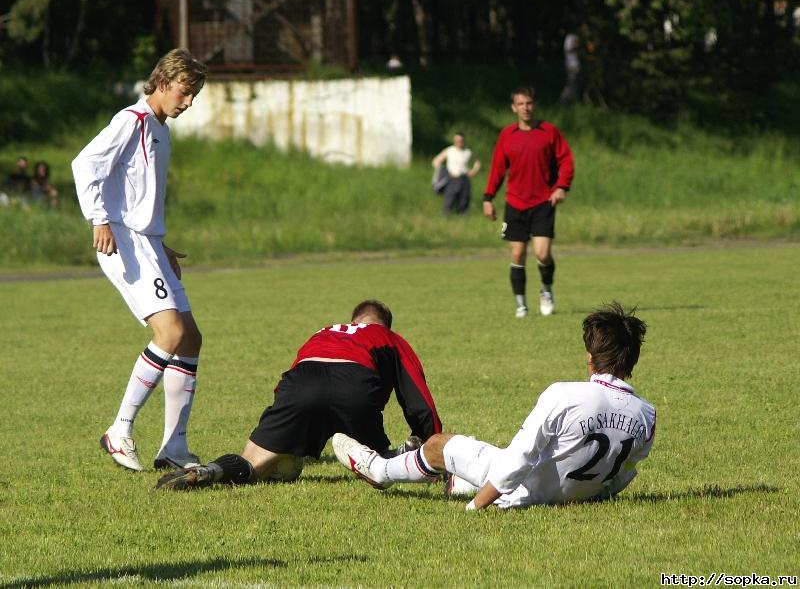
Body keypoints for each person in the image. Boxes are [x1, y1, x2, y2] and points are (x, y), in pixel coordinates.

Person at [333, 303, 655, 510]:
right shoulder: (647, 415)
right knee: (469, 464)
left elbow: (518, 459)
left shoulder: (564, 395)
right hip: (570, 493)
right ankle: (450, 479)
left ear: (590, 358)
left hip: (521, 492)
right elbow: (623, 476)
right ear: (632, 361)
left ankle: (379, 471)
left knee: (438, 445)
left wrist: (477, 506)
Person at [71, 48, 208, 472]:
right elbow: (85, 164)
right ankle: (120, 430)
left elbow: (137, 196)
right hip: (122, 242)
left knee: (190, 338)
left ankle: (173, 447)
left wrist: (158, 244)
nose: (188, 103)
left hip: (144, 241)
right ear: (163, 82)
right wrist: (100, 219)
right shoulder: (132, 120)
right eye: (185, 93)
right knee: (169, 332)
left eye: (194, 97)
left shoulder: (161, 129)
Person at [155, 300, 443, 490]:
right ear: (384, 325)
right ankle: (404, 455)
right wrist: (434, 445)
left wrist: (289, 435)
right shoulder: (387, 338)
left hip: (301, 385)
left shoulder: (324, 333)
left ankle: (210, 471)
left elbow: (288, 384)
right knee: (381, 464)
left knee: (253, 463)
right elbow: (418, 399)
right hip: (354, 386)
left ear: (354, 320)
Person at [483, 86, 575, 318]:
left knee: (542, 254)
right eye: (521, 104)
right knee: (517, 255)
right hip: (515, 203)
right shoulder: (507, 135)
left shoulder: (549, 132)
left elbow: (566, 161)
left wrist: (561, 187)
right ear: (514, 108)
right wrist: (488, 197)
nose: (526, 108)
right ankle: (521, 305)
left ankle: (546, 290)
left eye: (529, 103)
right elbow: (497, 169)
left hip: (543, 201)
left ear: (535, 105)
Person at [431, 133, 481, 215]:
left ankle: (462, 220)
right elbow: (436, 162)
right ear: (454, 140)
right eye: (457, 140)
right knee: (449, 201)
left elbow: (477, 163)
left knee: (464, 201)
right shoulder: (450, 150)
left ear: (463, 141)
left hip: (464, 179)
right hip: (452, 179)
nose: (459, 142)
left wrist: (473, 172)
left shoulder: (467, 152)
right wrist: (444, 172)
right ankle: (447, 219)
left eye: (460, 140)